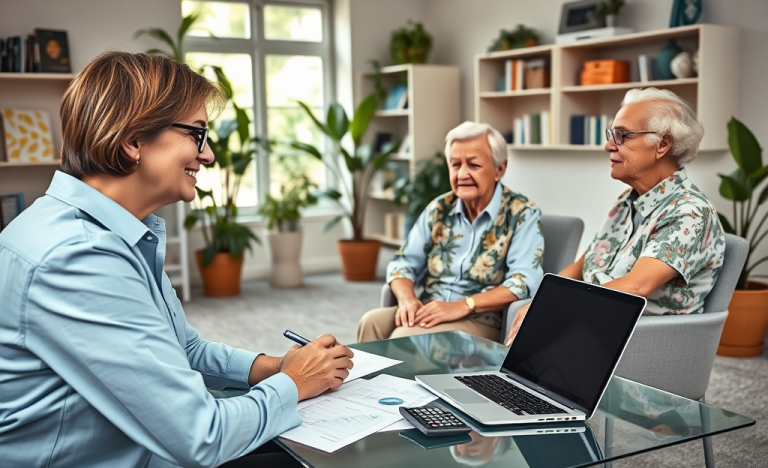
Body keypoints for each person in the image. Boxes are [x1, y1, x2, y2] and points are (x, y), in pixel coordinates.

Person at [0, 51, 354, 468]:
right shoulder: (78, 256)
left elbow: (180, 348)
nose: (208, 156)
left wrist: (277, 366)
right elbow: (202, 438)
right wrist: (295, 382)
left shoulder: (114, 231)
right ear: (133, 140)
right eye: (197, 134)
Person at [505, 87, 725, 346]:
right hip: (593, 320)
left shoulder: (689, 212)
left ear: (662, 144)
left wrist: (553, 309)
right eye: (611, 135)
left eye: (621, 136)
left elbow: (635, 287)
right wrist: (541, 301)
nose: (609, 145)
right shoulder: (625, 200)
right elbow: (583, 265)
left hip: (636, 340)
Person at [358, 121, 544, 343]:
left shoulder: (522, 213)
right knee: (369, 322)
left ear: (499, 169)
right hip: (431, 308)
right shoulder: (439, 208)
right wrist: (407, 300)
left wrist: (462, 306)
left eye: (473, 165)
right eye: (455, 165)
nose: (462, 174)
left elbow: (523, 282)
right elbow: (402, 263)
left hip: (482, 320)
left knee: (404, 337)